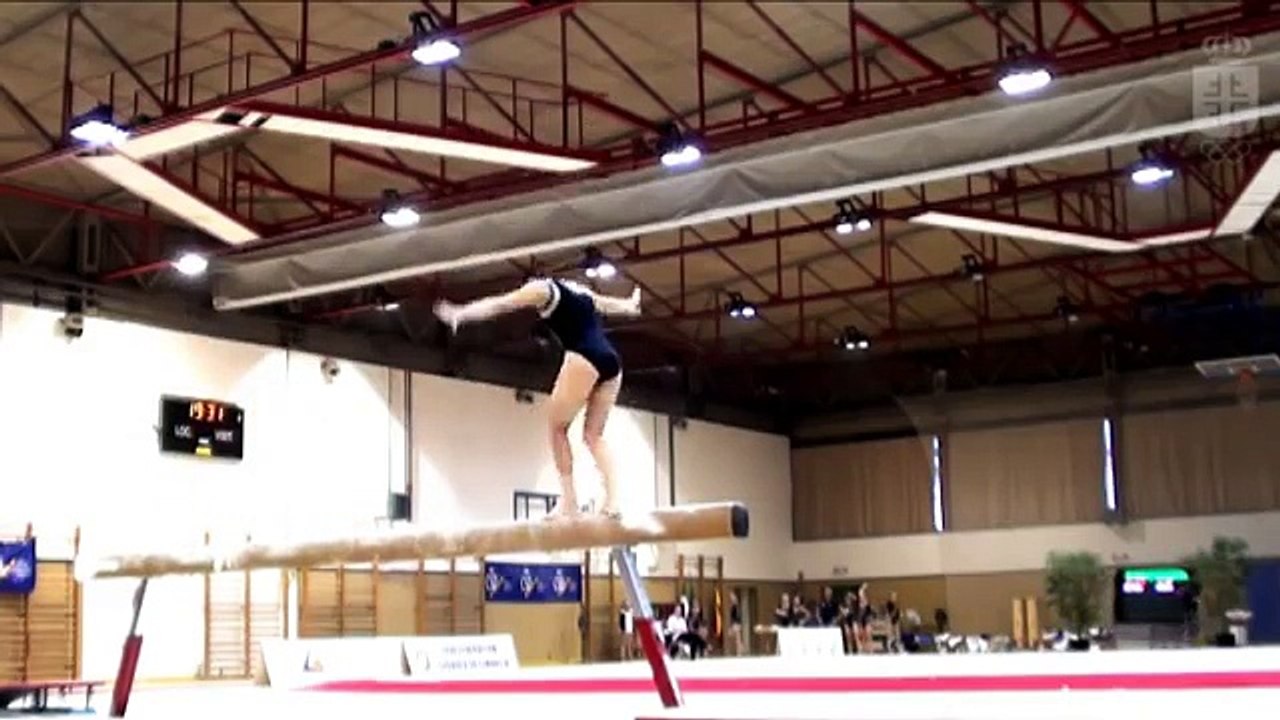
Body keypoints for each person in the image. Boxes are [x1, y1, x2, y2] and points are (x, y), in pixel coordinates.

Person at [434, 276, 642, 518]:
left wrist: (461, 313)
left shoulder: (542, 289)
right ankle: (613, 501)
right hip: (612, 362)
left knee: (557, 428)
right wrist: (629, 306)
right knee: (594, 436)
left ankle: (569, 502)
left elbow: (502, 304)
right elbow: (606, 304)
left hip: (585, 357)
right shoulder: (580, 291)